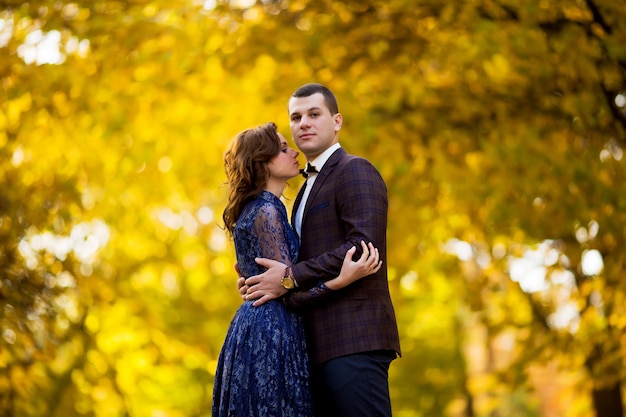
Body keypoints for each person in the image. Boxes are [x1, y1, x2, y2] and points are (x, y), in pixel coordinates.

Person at [241, 84, 401, 417]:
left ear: (337, 120)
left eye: (314, 114)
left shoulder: (355, 170)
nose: (304, 124)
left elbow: (362, 246)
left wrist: (287, 277)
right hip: (310, 344)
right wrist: (262, 283)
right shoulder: (300, 192)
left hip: (354, 337)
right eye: (296, 117)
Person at [212, 122, 383, 417]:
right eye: (282, 148)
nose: (294, 151)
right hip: (271, 329)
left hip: (263, 324)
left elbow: (281, 280)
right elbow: (287, 292)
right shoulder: (267, 210)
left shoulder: (266, 207)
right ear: (262, 163)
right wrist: (341, 280)